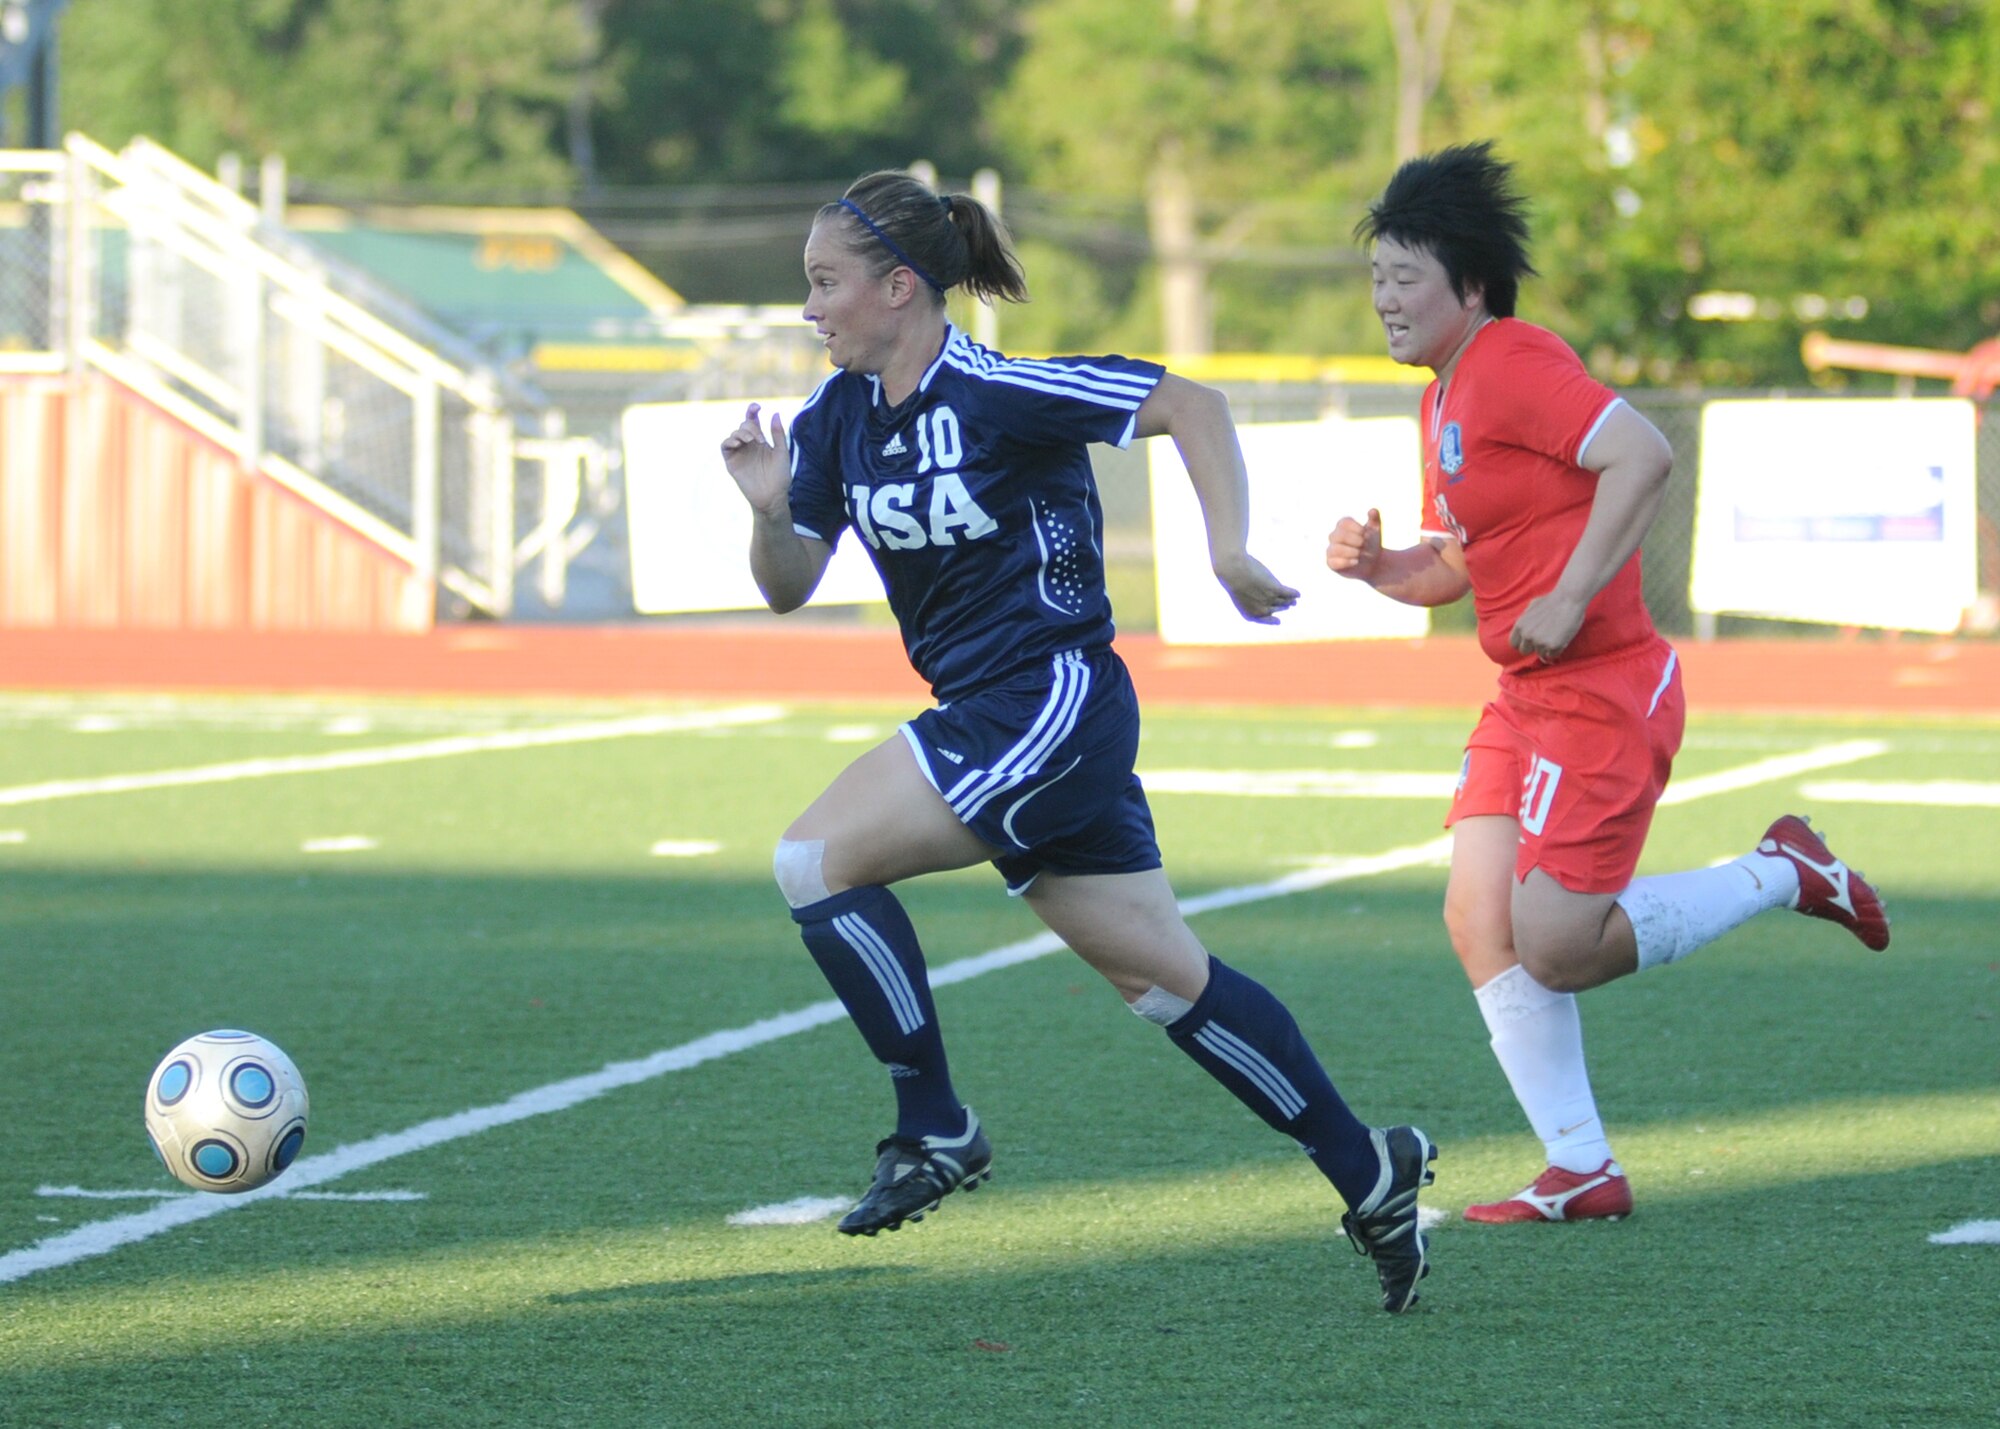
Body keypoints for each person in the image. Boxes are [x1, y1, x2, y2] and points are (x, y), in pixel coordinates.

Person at [721, 170, 1436, 1312]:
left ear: (899, 288)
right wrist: (766, 512)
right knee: (1161, 978)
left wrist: (1227, 551)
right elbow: (786, 586)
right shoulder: (835, 419)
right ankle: (1370, 1170)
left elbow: (1189, 404)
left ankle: (934, 1122)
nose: (808, 306)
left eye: (824, 282)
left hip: (1051, 699)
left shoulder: (1000, 392)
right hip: (1001, 720)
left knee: (814, 859)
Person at [1327, 142, 1890, 1225]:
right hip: (1522, 694)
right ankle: (1578, 1165)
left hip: (1600, 693)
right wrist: (1378, 568)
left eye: (1404, 277)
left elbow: (1641, 454)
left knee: (1554, 945)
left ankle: (1781, 869)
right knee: (1475, 915)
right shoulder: (1440, 396)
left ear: (1470, 285)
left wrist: (1576, 592)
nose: (1384, 300)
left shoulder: (1509, 357)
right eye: (1375, 278)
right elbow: (1456, 562)